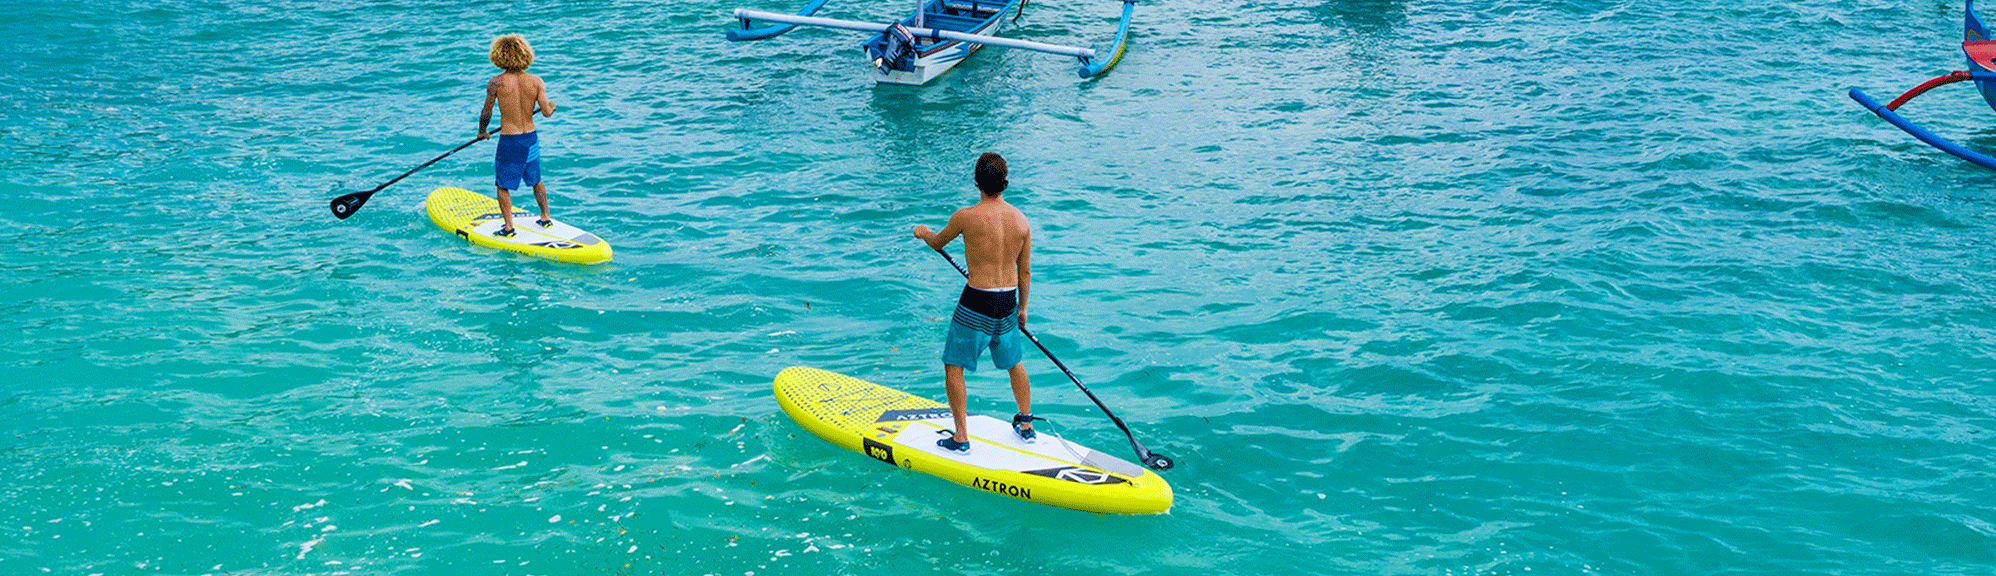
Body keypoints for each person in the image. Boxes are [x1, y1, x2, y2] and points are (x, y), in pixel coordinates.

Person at [912, 152, 1036, 454]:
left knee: (953, 367)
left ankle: (961, 437)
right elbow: (1025, 271)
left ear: (977, 181)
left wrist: (924, 233)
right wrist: (1022, 309)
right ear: (1005, 181)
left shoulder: (965, 216)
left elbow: (938, 242)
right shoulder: (1021, 220)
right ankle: (1026, 424)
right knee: (1014, 363)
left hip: (977, 302)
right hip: (1007, 300)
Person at [477, 34, 557, 238]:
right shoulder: (536, 81)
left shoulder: (496, 83)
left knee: (502, 185)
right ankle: (546, 217)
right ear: (525, 54)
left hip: (510, 141)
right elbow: (546, 112)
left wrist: (482, 132)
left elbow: (487, 112)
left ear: (499, 56)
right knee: (536, 180)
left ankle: (509, 227)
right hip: (531, 139)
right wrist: (552, 107)